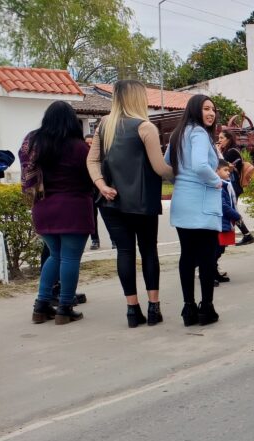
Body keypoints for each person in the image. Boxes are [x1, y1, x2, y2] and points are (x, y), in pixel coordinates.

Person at [87, 79, 175, 327]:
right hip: (141, 201)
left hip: (110, 201)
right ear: (138, 98)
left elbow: (92, 161)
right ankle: (154, 308)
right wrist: (181, 171)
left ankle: (132, 310)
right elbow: (160, 168)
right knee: (148, 250)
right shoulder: (145, 127)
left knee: (124, 252)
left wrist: (101, 185)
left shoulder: (104, 125)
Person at [21, 101, 93, 325]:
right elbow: (91, 177)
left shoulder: (35, 143)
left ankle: (41, 306)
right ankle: (64, 308)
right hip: (73, 208)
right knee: (70, 258)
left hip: (43, 208)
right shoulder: (80, 148)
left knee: (55, 256)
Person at [165, 95, 224, 326]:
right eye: (206, 108)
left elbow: (167, 165)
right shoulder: (199, 133)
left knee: (187, 256)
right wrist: (216, 181)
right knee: (207, 257)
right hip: (202, 202)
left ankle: (188, 307)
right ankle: (206, 307)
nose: (211, 113)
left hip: (182, 201)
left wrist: (183, 180)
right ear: (194, 110)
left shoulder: (177, 133)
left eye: (213, 109)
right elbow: (201, 166)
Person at [216, 130, 254, 246]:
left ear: (228, 139)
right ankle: (247, 234)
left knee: (231, 210)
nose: (220, 140)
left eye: (222, 138)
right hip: (232, 185)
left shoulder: (231, 152)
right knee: (231, 210)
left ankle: (246, 234)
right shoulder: (230, 150)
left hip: (232, 186)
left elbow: (222, 165)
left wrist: (218, 152)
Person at [215, 160, 243, 281]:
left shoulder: (226, 184)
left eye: (228, 170)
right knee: (216, 250)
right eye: (225, 170)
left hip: (225, 222)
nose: (228, 173)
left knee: (220, 249)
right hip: (219, 222)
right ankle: (209, 273)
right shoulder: (219, 186)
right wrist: (236, 215)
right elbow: (223, 206)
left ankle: (213, 272)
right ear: (216, 171)